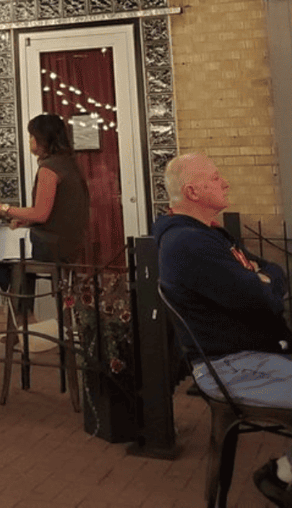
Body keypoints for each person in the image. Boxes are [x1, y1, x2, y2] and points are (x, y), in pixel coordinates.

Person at [154, 153, 292, 507]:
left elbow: (273, 270)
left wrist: (263, 281)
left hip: (253, 354)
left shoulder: (210, 234)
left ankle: (283, 474)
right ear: (193, 191)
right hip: (233, 366)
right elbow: (263, 299)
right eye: (216, 178)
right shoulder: (188, 244)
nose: (225, 182)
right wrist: (262, 284)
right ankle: (281, 476)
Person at [0, 113, 90, 317]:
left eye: (31, 136)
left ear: (42, 139)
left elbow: (41, 213)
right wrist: (24, 219)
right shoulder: (69, 164)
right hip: (70, 244)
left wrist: (2, 208)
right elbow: (55, 210)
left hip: (52, 245)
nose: (29, 141)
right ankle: (21, 313)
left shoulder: (49, 168)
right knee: (14, 252)